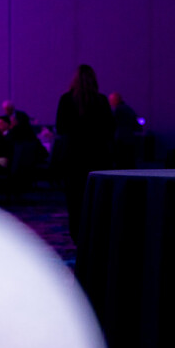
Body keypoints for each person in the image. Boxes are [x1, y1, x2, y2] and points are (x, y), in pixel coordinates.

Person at [55, 64, 115, 243]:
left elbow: (61, 128)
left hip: (73, 157)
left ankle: (77, 238)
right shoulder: (101, 100)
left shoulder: (66, 100)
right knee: (97, 201)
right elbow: (110, 129)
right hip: (97, 156)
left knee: (75, 202)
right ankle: (96, 237)